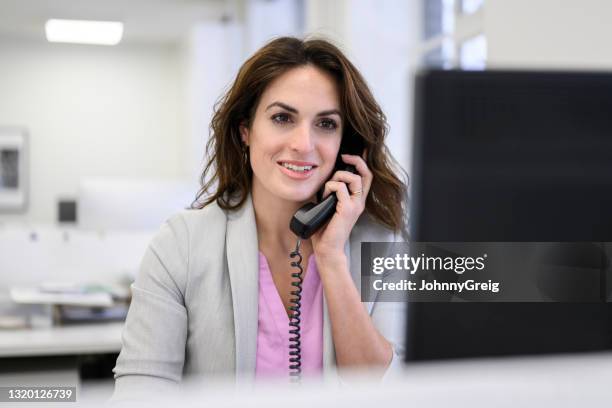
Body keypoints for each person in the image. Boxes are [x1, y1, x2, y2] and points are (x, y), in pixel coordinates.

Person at [112, 36, 408, 398]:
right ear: (245, 131)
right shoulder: (181, 244)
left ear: (346, 146)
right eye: (283, 118)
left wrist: (331, 258)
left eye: (326, 124)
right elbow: (140, 393)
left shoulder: (383, 243)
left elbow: (397, 394)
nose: (303, 143)